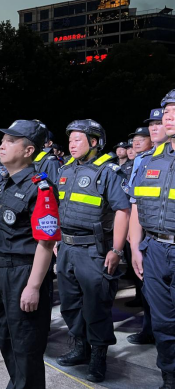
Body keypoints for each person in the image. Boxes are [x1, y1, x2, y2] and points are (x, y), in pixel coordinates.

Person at [0, 120, 60, 388]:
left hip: (21, 274)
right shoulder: (7, 183)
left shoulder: (40, 187)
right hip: (0, 272)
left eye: (10, 141)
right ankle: (18, 383)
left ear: (28, 150)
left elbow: (46, 242)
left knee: (26, 345)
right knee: (7, 338)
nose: (1, 145)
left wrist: (33, 286)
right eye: (2, 140)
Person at [55, 120, 130, 383]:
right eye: (70, 140)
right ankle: (80, 347)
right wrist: (57, 239)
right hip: (66, 247)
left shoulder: (108, 171)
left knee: (96, 305)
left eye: (78, 139)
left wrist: (117, 250)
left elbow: (123, 210)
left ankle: (98, 357)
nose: (71, 144)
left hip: (94, 250)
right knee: (69, 303)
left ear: (94, 142)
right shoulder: (65, 170)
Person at [130, 90, 175, 389]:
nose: (169, 116)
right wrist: (134, 246)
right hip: (155, 249)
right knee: (161, 321)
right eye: (167, 110)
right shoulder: (148, 160)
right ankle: (169, 376)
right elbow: (135, 205)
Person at [125, 107, 167, 345]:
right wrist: (135, 237)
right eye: (151, 123)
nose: (154, 127)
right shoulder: (144, 161)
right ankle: (149, 330)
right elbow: (136, 202)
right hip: (151, 239)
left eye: (158, 122)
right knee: (152, 294)